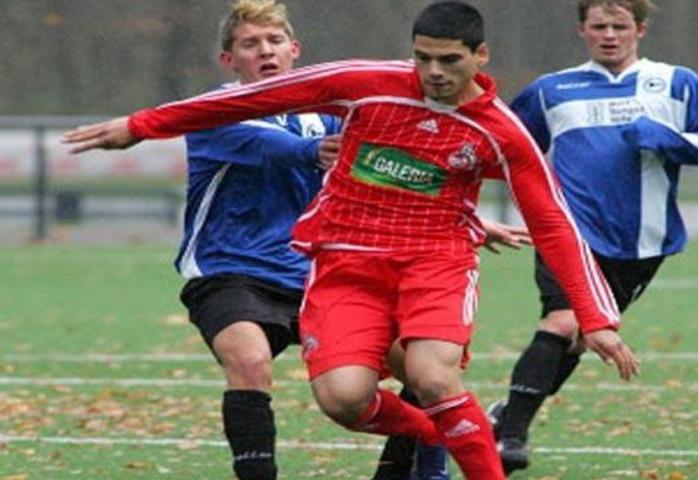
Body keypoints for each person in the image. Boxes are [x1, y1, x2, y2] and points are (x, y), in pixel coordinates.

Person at [63, 2, 640, 478]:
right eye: (422, 58)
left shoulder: (499, 131)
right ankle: (443, 435)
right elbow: (241, 110)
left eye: (449, 60)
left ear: (480, 57)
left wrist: (593, 315)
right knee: (341, 398)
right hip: (316, 266)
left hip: (428, 266)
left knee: (432, 376)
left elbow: (550, 220)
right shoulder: (362, 87)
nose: (433, 72)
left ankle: (460, 458)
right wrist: (140, 126)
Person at [486, 0, 698, 473]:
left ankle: (506, 416)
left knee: (581, 338)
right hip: (569, 234)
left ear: (639, 29)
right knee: (563, 322)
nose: (609, 34)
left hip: (644, 242)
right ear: (582, 29)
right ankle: (511, 438)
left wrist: (668, 138)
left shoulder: (678, 84)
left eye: (619, 25)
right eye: (598, 25)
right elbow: (510, 149)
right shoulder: (551, 91)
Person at [161, 2, 340, 479]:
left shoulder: (327, 116)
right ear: (229, 60)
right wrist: (314, 151)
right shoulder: (212, 111)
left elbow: (372, 176)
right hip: (229, 272)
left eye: (274, 41)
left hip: (312, 275)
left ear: (294, 50)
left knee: (412, 366)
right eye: (250, 44)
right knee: (250, 361)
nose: (265, 51)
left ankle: (413, 466)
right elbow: (273, 147)